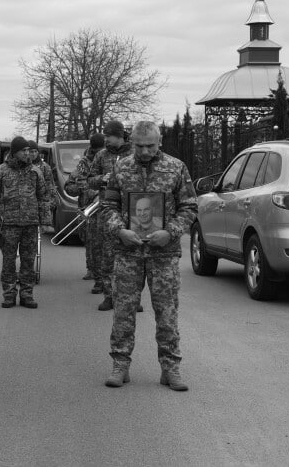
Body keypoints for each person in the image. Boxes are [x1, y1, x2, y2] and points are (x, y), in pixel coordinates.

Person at [102, 120, 197, 391]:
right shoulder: (120, 168)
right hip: (128, 252)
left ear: (160, 142)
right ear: (132, 142)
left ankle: (170, 368)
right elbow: (107, 205)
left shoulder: (175, 168)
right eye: (139, 146)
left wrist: (171, 231)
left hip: (163, 254)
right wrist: (119, 230)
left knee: (167, 313)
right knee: (123, 311)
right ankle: (120, 364)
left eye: (150, 146)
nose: (144, 151)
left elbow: (189, 207)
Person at [0, 136, 52, 309]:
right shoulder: (0, 172)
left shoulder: (35, 171)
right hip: (8, 224)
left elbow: (43, 197)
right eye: (23, 151)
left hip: (30, 224)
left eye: (28, 150)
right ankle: (9, 294)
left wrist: (45, 220)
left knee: (28, 261)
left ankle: (27, 294)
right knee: (9, 261)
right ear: (14, 152)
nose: (27, 154)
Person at [87, 120, 133, 311]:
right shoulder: (101, 155)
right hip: (106, 209)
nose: (106, 139)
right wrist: (101, 179)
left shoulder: (133, 154)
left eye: (109, 136)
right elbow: (89, 180)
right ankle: (109, 295)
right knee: (107, 255)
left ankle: (133, 298)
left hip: (131, 210)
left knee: (131, 257)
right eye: (104, 136)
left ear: (119, 135)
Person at [65, 133, 105, 282]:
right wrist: (82, 188)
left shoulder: (110, 160)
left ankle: (101, 274)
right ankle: (91, 268)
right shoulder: (83, 164)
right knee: (88, 239)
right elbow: (69, 186)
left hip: (106, 208)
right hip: (87, 207)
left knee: (103, 241)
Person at [28, 140, 55, 221]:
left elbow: (50, 186)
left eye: (35, 151)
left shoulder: (45, 167)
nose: (33, 154)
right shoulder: (23, 167)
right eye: (31, 151)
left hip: (40, 205)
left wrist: (51, 203)